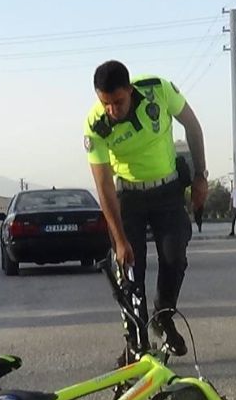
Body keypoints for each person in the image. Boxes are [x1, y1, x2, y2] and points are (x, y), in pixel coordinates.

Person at [83, 60, 207, 357]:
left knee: (175, 258)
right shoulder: (95, 124)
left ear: (130, 89)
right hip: (128, 199)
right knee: (129, 271)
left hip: (167, 192)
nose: (112, 110)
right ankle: (134, 342)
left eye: (118, 101)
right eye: (106, 103)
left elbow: (192, 125)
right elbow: (104, 186)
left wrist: (200, 176)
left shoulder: (159, 90)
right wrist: (120, 240)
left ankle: (163, 318)